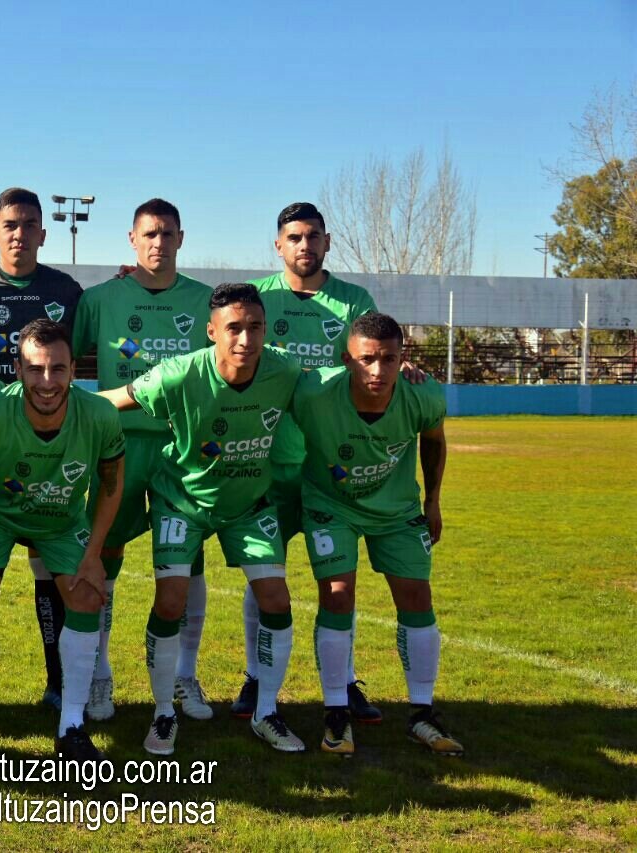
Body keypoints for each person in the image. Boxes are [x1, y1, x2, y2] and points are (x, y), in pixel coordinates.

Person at [101, 282, 306, 755]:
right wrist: (41, 395)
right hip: (182, 501)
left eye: (255, 327)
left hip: (249, 504)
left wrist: (408, 372)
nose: (245, 339)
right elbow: (115, 398)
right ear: (211, 330)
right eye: (234, 328)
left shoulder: (286, 371)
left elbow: (341, 384)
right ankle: (163, 713)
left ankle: (267, 712)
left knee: (276, 598)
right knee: (170, 602)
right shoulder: (177, 375)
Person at [230, 202, 385, 723]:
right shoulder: (257, 300)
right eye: (294, 237)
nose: (304, 245)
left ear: (327, 242)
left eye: (313, 236)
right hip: (265, 460)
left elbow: (373, 359)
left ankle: (343, 681)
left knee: (337, 581)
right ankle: (256, 676)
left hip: (327, 463)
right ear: (278, 245)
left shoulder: (354, 301)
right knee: (264, 575)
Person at [0, 319, 124, 762]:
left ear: (73, 370)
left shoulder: (99, 414)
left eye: (58, 369)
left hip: (62, 520)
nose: (47, 381)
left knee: (85, 596)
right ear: (19, 370)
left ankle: (72, 726)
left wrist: (94, 554)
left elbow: (111, 482)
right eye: (36, 369)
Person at [290, 311, 461, 757]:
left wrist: (433, 501)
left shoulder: (422, 394)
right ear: (347, 359)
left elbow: (435, 440)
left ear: (403, 357)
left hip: (397, 509)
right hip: (331, 506)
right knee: (338, 593)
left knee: (416, 597)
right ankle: (336, 713)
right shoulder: (313, 391)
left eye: (388, 359)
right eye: (367, 359)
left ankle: (422, 713)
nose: (378, 371)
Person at [71, 198, 213, 723]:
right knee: (103, 553)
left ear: (181, 238)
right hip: (119, 444)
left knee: (186, 562)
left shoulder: (204, 301)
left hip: (184, 448)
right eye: (149, 234)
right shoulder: (102, 297)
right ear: (132, 240)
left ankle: (184, 676)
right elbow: (65, 356)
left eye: (167, 234)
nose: (158, 242)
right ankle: (99, 675)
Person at [0, 187, 84, 711]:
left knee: (50, 568)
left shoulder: (67, 291)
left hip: (53, 451)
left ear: (43, 233)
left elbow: (81, 358)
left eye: (29, 224)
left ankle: (58, 684)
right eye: (10, 225)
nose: (20, 233)